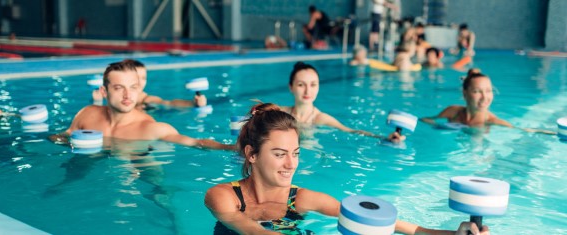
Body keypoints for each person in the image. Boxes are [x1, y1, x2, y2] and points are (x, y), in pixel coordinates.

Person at [204, 103, 490, 234]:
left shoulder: (301, 199)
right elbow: (248, 230)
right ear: (251, 154)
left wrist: (455, 234)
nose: (291, 164)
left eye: (295, 153)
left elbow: (389, 223)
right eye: (279, 154)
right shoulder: (224, 197)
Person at [51, 61, 234, 150]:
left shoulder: (151, 128)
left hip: (139, 166)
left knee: (157, 196)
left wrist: (230, 148)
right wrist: (69, 143)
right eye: (118, 88)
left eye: (133, 88)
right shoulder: (86, 115)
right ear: (104, 91)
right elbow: (61, 136)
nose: (127, 94)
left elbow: (196, 142)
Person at [283, 62, 403, 142]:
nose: (307, 91)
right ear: (290, 87)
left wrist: (385, 138)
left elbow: (351, 131)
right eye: (301, 85)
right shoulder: (281, 112)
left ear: (318, 87)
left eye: (313, 85)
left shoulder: (320, 118)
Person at [421, 69, 555, 134]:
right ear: (465, 93)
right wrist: (440, 127)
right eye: (477, 91)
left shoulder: (490, 121)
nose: (485, 97)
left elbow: (524, 130)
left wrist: (554, 133)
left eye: (489, 91)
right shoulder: (452, 112)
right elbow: (425, 119)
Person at [92, 59, 203, 110]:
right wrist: (97, 102)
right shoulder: (111, 96)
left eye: (143, 78)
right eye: (136, 78)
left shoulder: (147, 99)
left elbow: (169, 103)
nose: (140, 82)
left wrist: (192, 103)